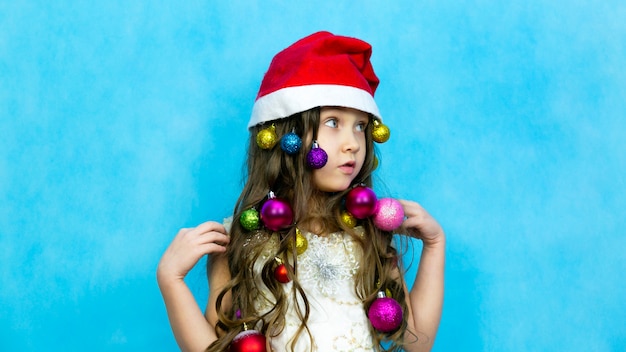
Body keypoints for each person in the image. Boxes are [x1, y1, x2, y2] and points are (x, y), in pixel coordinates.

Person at [157, 31, 445, 352]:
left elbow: (419, 343)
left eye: (361, 126)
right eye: (334, 122)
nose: (353, 143)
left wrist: (434, 245)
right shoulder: (241, 241)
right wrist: (172, 281)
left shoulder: (370, 237)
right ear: (287, 135)